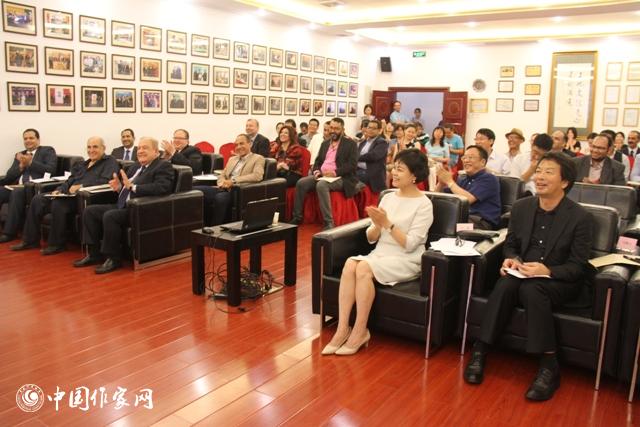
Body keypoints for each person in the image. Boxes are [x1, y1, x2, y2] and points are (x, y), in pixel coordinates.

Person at [464, 152, 593, 402]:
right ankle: (480, 349)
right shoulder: (522, 207)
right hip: (523, 273)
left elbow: (577, 266)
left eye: (548, 172)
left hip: (559, 281)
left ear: (565, 182)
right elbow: (511, 245)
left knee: (533, 289)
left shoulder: (580, 217)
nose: (540, 177)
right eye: (539, 171)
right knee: (506, 284)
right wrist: (512, 259)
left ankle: (548, 366)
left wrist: (547, 271)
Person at [321, 149, 433, 355]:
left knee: (363, 267)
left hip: (407, 259)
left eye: (400, 169)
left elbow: (410, 245)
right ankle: (342, 328)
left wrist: (387, 223)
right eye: (394, 168)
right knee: (350, 264)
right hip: (381, 254)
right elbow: (371, 238)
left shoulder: (424, 204)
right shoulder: (388, 197)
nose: (394, 173)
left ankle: (360, 331)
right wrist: (377, 225)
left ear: (414, 175)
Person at [73, 137, 174, 274]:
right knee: (90, 211)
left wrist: (134, 187)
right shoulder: (135, 166)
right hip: (122, 205)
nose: (140, 151)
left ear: (156, 152)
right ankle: (93, 254)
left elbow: (162, 188)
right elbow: (126, 186)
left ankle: (113, 258)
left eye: (145, 148)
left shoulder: (162, 166)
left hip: (140, 209)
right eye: (139, 148)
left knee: (110, 216)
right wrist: (119, 187)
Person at [10, 137, 119, 254]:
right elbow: (70, 180)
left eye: (95, 147)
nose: (91, 150)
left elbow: (105, 181)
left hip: (85, 198)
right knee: (38, 199)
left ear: (103, 148)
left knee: (58, 204)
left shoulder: (110, 161)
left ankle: (57, 244)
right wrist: (60, 189)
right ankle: (30, 240)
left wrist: (81, 186)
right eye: (89, 147)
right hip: (68, 194)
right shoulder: (83, 164)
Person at [290, 118, 358, 230]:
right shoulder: (325, 143)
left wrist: (334, 172)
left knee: (321, 185)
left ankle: (329, 223)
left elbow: (352, 165)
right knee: (301, 183)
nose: (333, 131)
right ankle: (297, 217)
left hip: (342, 177)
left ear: (342, 129)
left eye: (336, 128)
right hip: (323, 176)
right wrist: (317, 171)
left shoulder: (350, 144)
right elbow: (317, 161)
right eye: (331, 128)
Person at [0, 129, 57, 243]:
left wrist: (30, 163)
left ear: (38, 140)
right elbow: (8, 177)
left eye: (31, 138)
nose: (28, 141)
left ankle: (9, 233)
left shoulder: (47, 151)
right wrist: (21, 166)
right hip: (17, 187)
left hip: (34, 189)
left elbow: (51, 170)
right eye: (25, 138)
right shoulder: (20, 154)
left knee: (16, 193)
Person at [195, 134, 265, 226]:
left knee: (220, 198)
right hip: (222, 188)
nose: (238, 147)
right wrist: (222, 184)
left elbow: (257, 176)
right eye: (236, 145)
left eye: (241, 144)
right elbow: (222, 175)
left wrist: (233, 181)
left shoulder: (258, 158)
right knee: (195, 191)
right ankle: (200, 225)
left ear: (250, 144)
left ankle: (215, 228)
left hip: (237, 191)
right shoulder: (232, 159)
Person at [436, 145, 501, 230]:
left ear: (482, 162)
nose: (466, 161)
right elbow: (439, 198)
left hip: (481, 223)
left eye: (471, 157)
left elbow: (467, 200)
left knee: (451, 227)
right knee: (434, 220)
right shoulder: (463, 178)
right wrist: (441, 183)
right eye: (464, 158)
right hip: (462, 218)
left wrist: (449, 181)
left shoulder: (489, 178)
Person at [356, 119, 389, 194]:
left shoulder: (382, 142)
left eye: (374, 128)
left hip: (371, 172)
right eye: (369, 127)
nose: (370, 130)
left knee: (350, 181)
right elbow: (356, 154)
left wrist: (357, 158)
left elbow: (373, 156)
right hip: (358, 170)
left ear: (379, 131)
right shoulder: (363, 142)